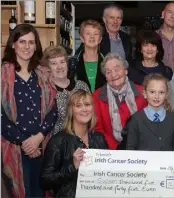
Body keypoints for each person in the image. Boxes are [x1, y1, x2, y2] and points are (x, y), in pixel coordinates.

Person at [1, 24, 58, 198]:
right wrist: (26, 142)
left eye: (31, 42)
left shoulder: (44, 73)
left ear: (36, 45)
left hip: (42, 146)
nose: (27, 47)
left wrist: (39, 138)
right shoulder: (2, 75)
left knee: (41, 193)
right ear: (13, 44)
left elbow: (53, 110)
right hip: (15, 148)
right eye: (22, 42)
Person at [40, 90, 108, 197]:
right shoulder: (58, 140)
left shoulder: (99, 138)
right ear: (71, 110)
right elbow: (45, 181)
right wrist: (72, 166)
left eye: (87, 104)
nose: (84, 109)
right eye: (78, 105)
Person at [93, 52, 147, 149]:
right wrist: (117, 150)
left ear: (125, 71)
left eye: (117, 69)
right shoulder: (97, 96)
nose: (113, 75)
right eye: (108, 72)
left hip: (140, 149)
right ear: (105, 76)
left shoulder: (142, 93)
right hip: (111, 151)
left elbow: (147, 125)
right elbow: (98, 129)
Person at [41, 46, 90, 134]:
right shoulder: (46, 91)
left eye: (62, 62)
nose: (59, 67)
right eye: (54, 63)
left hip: (83, 138)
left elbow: (91, 114)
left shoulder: (82, 86)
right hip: (56, 143)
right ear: (48, 67)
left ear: (67, 63)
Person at [126, 73, 174, 150]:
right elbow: (131, 148)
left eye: (161, 92)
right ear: (145, 94)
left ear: (166, 95)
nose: (156, 96)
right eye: (152, 92)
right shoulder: (136, 119)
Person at [68, 19, 106, 92]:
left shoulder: (108, 63)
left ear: (100, 39)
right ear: (82, 38)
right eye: (88, 33)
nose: (92, 37)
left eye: (96, 34)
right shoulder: (72, 63)